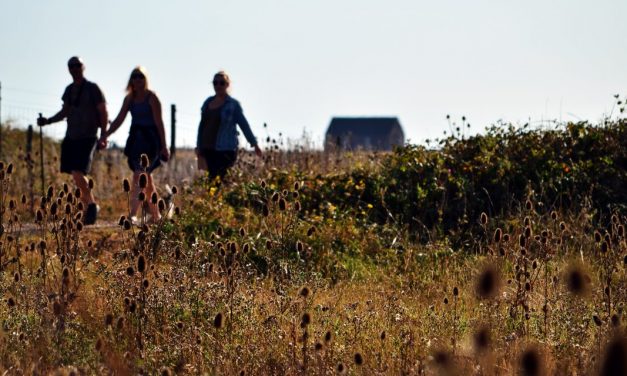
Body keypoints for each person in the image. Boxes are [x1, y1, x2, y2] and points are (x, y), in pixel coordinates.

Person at [37, 56, 108, 225]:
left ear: (84, 67)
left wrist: (104, 134)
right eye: (71, 65)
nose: (75, 68)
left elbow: (103, 111)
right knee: (75, 175)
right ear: (68, 69)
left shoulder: (92, 88)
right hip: (71, 136)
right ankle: (87, 209)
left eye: (78, 65)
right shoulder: (69, 90)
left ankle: (91, 205)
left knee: (78, 172)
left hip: (88, 135)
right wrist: (48, 121)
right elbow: (65, 112)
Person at [104, 66, 170, 222]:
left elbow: (159, 122)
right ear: (131, 79)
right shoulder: (130, 99)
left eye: (141, 76)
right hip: (136, 141)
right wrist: (105, 135)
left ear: (145, 79)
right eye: (135, 76)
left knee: (138, 176)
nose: (138, 79)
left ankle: (132, 214)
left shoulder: (152, 97)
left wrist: (164, 145)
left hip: (151, 141)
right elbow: (119, 120)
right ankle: (156, 215)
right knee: (146, 179)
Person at [196, 71, 262, 180]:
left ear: (227, 84)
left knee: (222, 178)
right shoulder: (207, 102)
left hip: (225, 149)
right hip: (207, 147)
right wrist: (198, 145)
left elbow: (244, 124)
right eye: (215, 83)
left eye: (221, 83)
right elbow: (202, 126)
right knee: (211, 180)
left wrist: (254, 144)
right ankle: (213, 197)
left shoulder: (233, 105)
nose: (218, 85)